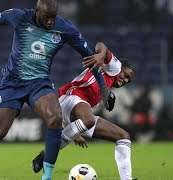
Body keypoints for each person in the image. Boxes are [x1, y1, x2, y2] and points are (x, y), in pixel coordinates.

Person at [0, 0, 111, 179]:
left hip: (39, 83)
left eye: (53, 17)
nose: (50, 22)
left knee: (54, 119)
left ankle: (47, 177)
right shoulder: (18, 17)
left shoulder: (65, 28)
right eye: (47, 17)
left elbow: (91, 58)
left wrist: (103, 88)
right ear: (37, 12)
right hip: (12, 84)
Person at [32, 42, 136, 180]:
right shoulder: (115, 67)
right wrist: (100, 55)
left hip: (77, 108)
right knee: (88, 120)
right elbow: (101, 45)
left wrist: (75, 132)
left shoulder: (107, 84)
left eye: (129, 80)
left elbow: (77, 116)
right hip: (70, 96)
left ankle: (126, 179)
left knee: (123, 136)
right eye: (126, 75)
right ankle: (46, 155)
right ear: (120, 67)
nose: (126, 80)